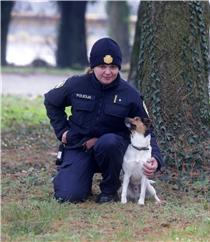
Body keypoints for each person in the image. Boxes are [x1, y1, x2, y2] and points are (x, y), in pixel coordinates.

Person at [44, 37, 164, 203]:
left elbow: (147, 130)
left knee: (109, 142)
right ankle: (76, 179)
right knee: (68, 196)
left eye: (113, 67)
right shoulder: (76, 85)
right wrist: (62, 130)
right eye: (102, 66)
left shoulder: (130, 94)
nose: (108, 72)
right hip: (79, 146)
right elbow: (51, 101)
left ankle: (109, 190)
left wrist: (156, 160)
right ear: (93, 67)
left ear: (119, 67)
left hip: (112, 151)